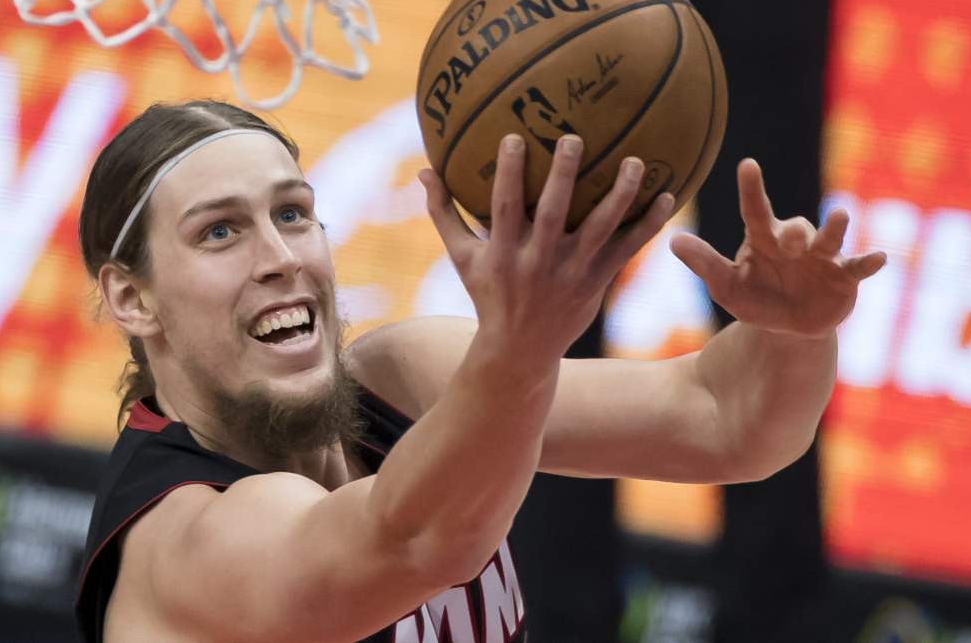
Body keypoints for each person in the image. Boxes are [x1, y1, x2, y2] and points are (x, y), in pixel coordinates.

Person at [73, 100, 885, 643]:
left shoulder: (405, 378)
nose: (281, 256)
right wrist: (521, 346)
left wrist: (790, 331)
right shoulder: (182, 538)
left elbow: (726, 420)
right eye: (220, 232)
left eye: (293, 213)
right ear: (133, 298)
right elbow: (415, 540)